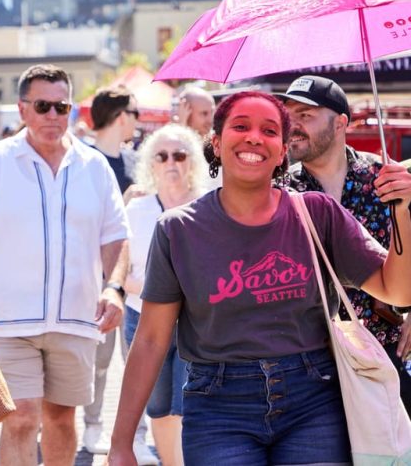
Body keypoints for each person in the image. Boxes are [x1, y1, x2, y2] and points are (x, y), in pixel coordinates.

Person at [108, 91, 411, 465]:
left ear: (282, 150)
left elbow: (397, 289)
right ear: (216, 143)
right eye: (240, 126)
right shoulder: (178, 229)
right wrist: (121, 443)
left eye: (269, 130)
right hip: (218, 407)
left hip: (314, 401)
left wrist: (403, 212)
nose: (254, 137)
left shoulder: (317, 214)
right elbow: (151, 340)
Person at [0, 64, 130, 466]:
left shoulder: (94, 165)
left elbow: (116, 237)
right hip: (7, 321)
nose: (53, 115)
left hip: (76, 319)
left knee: (62, 419)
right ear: (22, 109)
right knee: (21, 416)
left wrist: (114, 288)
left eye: (61, 106)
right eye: (42, 105)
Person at [281, 75, 411, 414]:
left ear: (340, 123)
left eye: (305, 115)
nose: (292, 125)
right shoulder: (280, 192)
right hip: (311, 364)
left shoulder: (388, 180)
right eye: (289, 115)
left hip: (386, 353)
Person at [124, 124, 208, 466]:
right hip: (144, 319)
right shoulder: (135, 212)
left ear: (192, 162)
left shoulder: (209, 208)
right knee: (158, 406)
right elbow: (120, 272)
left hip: (196, 322)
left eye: (180, 154)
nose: (171, 162)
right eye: (162, 156)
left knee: (187, 404)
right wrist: (158, 295)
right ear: (151, 163)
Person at [83, 85, 157, 464]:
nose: (138, 119)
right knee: (97, 358)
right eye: (134, 112)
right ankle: (92, 426)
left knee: (137, 359)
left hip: (137, 276)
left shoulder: (133, 161)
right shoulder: (86, 160)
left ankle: (137, 434)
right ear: (121, 115)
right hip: (98, 276)